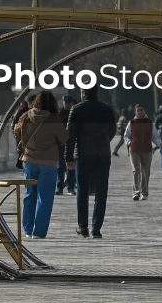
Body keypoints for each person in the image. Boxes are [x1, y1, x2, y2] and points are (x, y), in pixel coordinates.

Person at [13, 91, 67, 239]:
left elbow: (16, 129)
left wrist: (23, 141)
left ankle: (28, 229)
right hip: (48, 161)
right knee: (45, 197)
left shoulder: (26, 116)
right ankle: (39, 231)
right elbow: (64, 137)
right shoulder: (54, 119)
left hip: (29, 160)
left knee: (29, 194)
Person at [65, 85, 116, 239]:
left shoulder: (77, 109)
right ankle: (96, 228)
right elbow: (112, 130)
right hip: (102, 154)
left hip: (83, 154)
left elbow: (70, 135)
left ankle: (83, 227)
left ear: (83, 93)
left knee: (82, 190)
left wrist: (68, 157)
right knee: (101, 191)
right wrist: (104, 141)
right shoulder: (107, 109)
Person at [125, 104, 156, 201]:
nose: (140, 112)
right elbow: (126, 135)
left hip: (147, 150)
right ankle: (136, 192)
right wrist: (129, 142)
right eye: (138, 110)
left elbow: (155, 136)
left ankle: (144, 193)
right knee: (136, 171)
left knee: (145, 172)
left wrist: (160, 144)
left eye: (141, 110)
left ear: (145, 111)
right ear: (135, 112)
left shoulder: (150, 123)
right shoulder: (132, 123)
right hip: (134, 150)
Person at [57, 94, 78, 195]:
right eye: (66, 102)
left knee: (71, 166)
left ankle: (70, 187)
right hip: (61, 143)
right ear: (63, 102)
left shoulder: (75, 113)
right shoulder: (59, 113)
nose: (68, 104)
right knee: (60, 167)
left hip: (71, 143)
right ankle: (59, 187)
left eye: (70, 102)